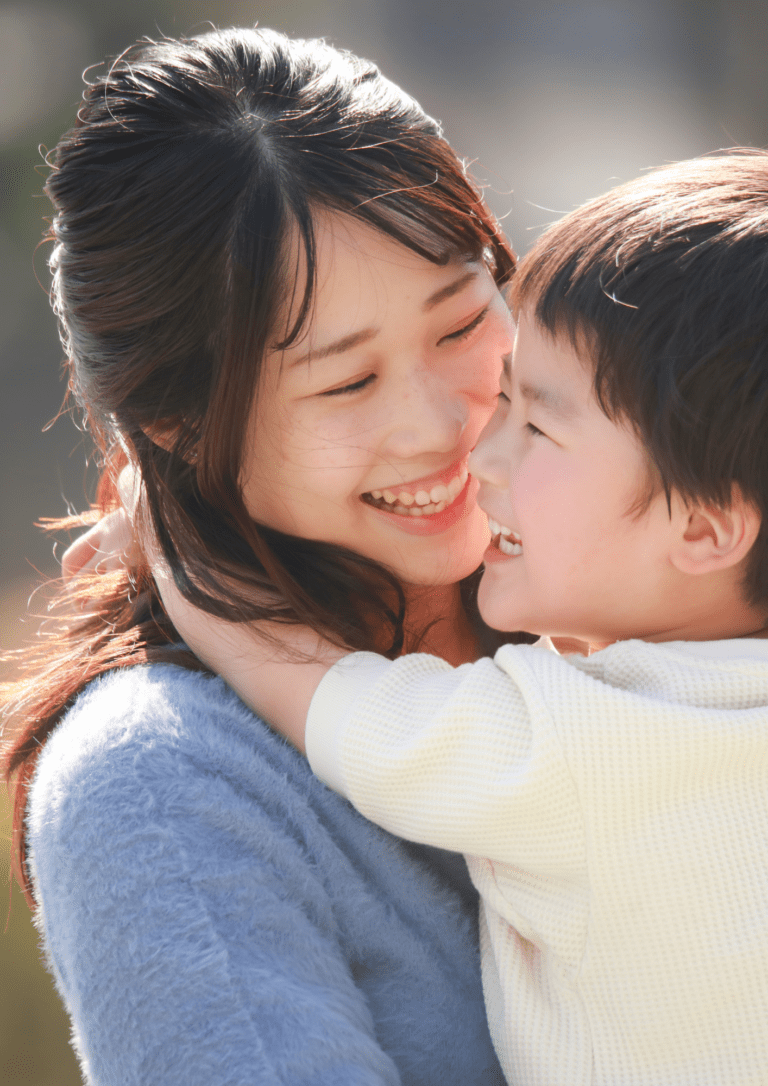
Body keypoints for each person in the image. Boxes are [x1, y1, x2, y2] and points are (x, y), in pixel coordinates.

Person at [157, 153, 768, 1086]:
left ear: (707, 526)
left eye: (539, 427)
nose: (478, 451)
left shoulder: (585, 742)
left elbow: (329, 702)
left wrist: (171, 541)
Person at [0, 24, 526, 1085]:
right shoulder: (160, 783)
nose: (439, 424)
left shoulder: (632, 587)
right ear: (180, 426)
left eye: (461, 322)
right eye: (345, 383)